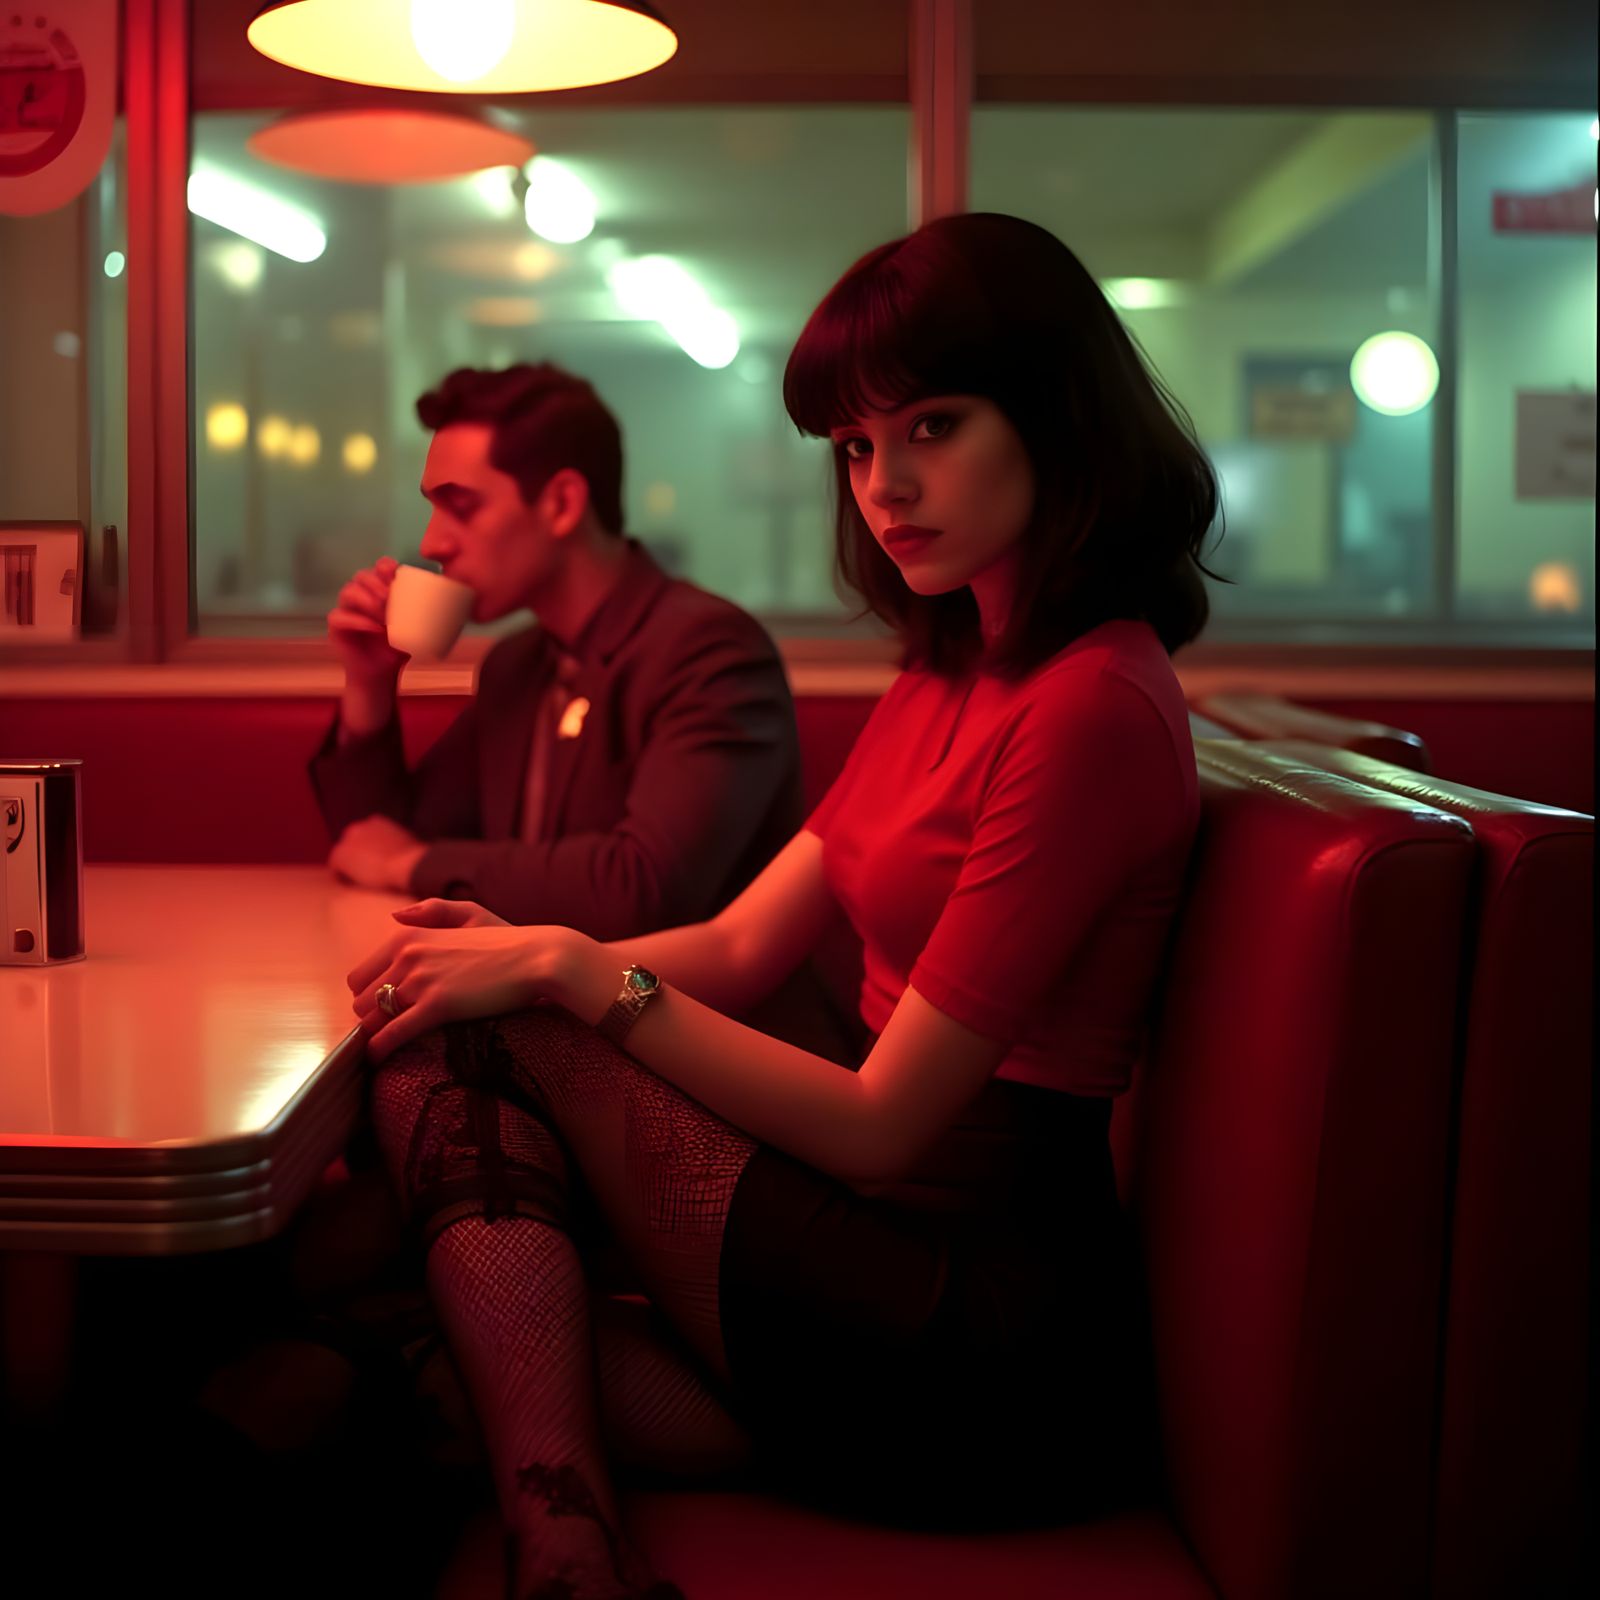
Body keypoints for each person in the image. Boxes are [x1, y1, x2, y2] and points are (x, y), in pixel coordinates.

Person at [348, 212, 1222, 1600]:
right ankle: (565, 1535)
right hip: (845, 1272)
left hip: (970, 1323)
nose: (887, 485)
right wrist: (529, 949)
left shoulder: (1093, 705)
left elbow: (885, 1128)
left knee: (485, 1057)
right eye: (859, 448)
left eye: (931, 426)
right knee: (409, 1349)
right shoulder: (951, 666)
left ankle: (560, 1550)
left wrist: (573, 975)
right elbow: (748, 939)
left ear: (1057, 416)